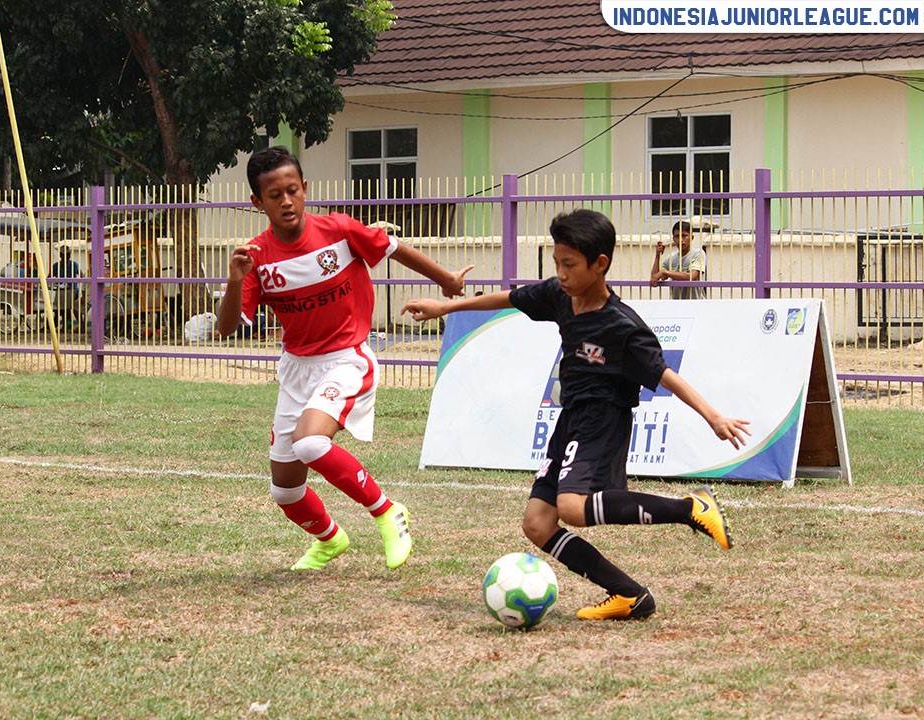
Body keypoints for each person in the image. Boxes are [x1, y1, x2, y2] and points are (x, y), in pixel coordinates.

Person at [402, 209, 750, 620]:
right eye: (556, 263)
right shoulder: (560, 296)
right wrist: (446, 308)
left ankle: (689, 508)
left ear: (600, 263)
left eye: (569, 265)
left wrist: (713, 416)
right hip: (570, 417)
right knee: (538, 523)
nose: (561, 273)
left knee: (571, 506)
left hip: (604, 418)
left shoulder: (624, 328)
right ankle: (629, 595)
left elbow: (666, 375)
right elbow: (511, 298)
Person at [216, 146, 473, 571]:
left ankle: (388, 511)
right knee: (285, 490)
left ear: (304, 190)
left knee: (311, 441)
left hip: (346, 359)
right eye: (274, 195)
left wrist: (444, 278)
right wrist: (233, 280)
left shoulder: (338, 229)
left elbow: (394, 248)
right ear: (257, 202)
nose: (286, 202)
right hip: (297, 369)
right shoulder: (256, 259)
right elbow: (226, 328)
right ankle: (329, 539)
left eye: (292, 190)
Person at [650, 219, 707, 299]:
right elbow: (654, 278)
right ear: (673, 239)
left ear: (692, 237)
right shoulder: (671, 258)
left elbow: (692, 276)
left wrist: (666, 273)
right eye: (677, 236)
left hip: (696, 304)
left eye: (684, 236)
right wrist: (657, 256)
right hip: (676, 304)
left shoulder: (698, 253)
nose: (681, 240)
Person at [51, 246, 83, 329]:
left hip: (72, 290)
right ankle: (64, 324)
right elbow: (49, 277)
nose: (68, 256)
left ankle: (64, 324)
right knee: (59, 305)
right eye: (66, 254)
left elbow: (82, 275)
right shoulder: (56, 266)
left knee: (67, 303)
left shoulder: (74, 265)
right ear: (61, 255)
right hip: (61, 291)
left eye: (69, 254)